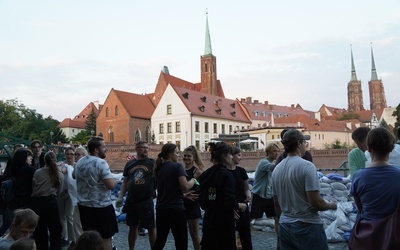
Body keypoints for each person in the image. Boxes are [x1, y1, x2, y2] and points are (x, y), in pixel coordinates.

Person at [271, 129, 337, 250]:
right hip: (307, 225)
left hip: (285, 225)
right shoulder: (307, 166)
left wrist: (282, 223)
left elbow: (276, 203)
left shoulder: (276, 169)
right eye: (304, 143)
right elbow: (316, 203)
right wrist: (332, 205)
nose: (305, 147)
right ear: (298, 143)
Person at [199, 142, 247, 250]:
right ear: (223, 156)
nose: (231, 157)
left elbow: (203, 200)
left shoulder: (206, 174)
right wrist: (239, 205)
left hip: (209, 219)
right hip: (223, 223)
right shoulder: (226, 175)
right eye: (229, 154)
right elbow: (228, 199)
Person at [73, 136, 117, 250]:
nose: (105, 149)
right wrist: (115, 181)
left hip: (84, 207)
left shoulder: (80, 161)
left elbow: (74, 175)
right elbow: (110, 185)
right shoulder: (101, 163)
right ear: (96, 150)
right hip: (101, 207)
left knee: (90, 239)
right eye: (103, 147)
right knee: (106, 237)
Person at [153, 143, 199, 250]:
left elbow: (168, 190)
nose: (179, 155)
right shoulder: (177, 167)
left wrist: (183, 196)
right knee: (181, 243)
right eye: (177, 153)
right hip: (176, 210)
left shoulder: (159, 168)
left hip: (161, 209)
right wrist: (194, 180)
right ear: (170, 154)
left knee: (160, 241)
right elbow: (185, 186)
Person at [350, 127, 400, 221]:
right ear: (392, 148)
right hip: (394, 230)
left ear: (368, 148)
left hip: (368, 230)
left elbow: (360, 210)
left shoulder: (358, 176)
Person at [116, 141, 156, 249]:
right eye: (143, 147)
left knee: (151, 227)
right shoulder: (130, 164)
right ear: (137, 149)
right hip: (132, 200)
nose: (146, 149)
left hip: (146, 200)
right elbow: (125, 181)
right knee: (132, 227)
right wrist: (120, 196)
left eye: (147, 148)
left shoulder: (152, 163)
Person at [31, 151, 63, 250]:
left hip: (37, 203)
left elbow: (34, 187)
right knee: (56, 231)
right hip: (51, 202)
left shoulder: (37, 172)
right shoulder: (59, 174)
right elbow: (60, 191)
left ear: (44, 160)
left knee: (40, 231)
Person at [250, 142, 280, 248]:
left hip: (269, 195)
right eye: (274, 151)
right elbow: (274, 167)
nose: (277, 153)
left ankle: (279, 239)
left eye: (278, 151)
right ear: (268, 152)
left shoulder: (272, 163)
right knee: (252, 217)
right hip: (259, 195)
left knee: (277, 217)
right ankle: (241, 237)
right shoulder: (264, 162)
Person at [227, 146, 252, 250]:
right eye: (239, 155)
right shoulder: (224, 172)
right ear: (231, 156)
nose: (241, 157)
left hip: (242, 206)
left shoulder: (241, 171)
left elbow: (246, 188)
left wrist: (248, 194)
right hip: (229, 206)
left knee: (245, 234)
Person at [58, 147, 81, 248]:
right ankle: (64, 236)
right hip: (61, 192)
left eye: (71, 154)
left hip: (72, 194)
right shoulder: (61, 165)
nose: (69, 156)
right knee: (61, 216)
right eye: (67, 154)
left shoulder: (77, 166)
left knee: (70, 216)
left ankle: (73, 239)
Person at [182, 146, 204, 250]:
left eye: (189, 156)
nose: (186, 158)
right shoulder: (180, 170)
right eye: (184, 155)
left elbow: (203, 188)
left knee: (194, 235)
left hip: (192, 205)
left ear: (194, 157)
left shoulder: (197, 172)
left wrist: (197, 196)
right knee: (181, 235)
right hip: (180, 205)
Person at [7, 149, 35, 223]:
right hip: (24, 205)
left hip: (12, 204)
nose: (31, 158)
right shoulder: (29, 169)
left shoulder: (13, 170)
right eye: (29, 156)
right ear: (23, 158)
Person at [0, 144, 22, 236]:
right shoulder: (12, 162)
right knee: (10, 223)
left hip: (8, 199)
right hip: (10, 199)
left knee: (7, 223)